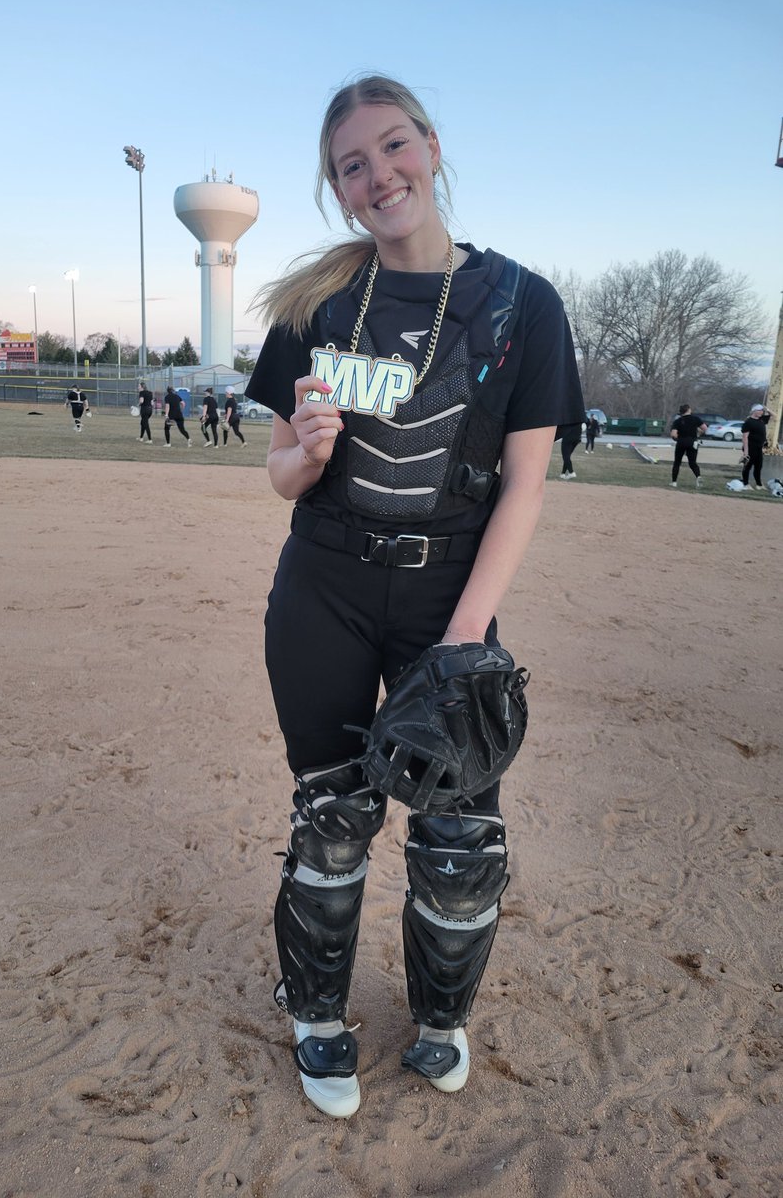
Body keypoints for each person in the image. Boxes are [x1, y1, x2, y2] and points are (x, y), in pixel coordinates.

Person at [246, 74, 584, 1119]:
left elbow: (526, 482)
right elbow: (279, 475)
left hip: (451, 591)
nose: (379, 174)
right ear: (339, 189)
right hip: (328, 586)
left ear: (431, 148)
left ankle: (440, 1020)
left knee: (457, 833)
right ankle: (315, 1014)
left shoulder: (523, 303)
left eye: (394, 148)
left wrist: (465, 640)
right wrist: (304, 451)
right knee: (334, 814)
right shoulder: (319, 307)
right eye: (354, 165)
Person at [669, 403, 706, 487]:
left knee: (677, 462)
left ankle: (674, 482)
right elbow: (704, 428)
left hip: (681, 442)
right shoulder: (696, 419)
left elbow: (673, 434)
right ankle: (698, 477)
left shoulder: (678, 421)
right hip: (693, 443)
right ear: (689, 410)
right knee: (692, 462)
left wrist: (678, 439)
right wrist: (698, 434)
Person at [740, 403, 768, 490]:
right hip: (750, 447)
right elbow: (745, 437)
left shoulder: (761, 420)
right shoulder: (748, 422)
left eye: (762, 411)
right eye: (759, 410)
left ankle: (759, 484)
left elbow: (775, 416)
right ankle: (746, 484)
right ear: (754, 411)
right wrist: (746, 452)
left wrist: (767, 409)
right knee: (747, 466)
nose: (761, 412)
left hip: (759, 448)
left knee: (758, 466)